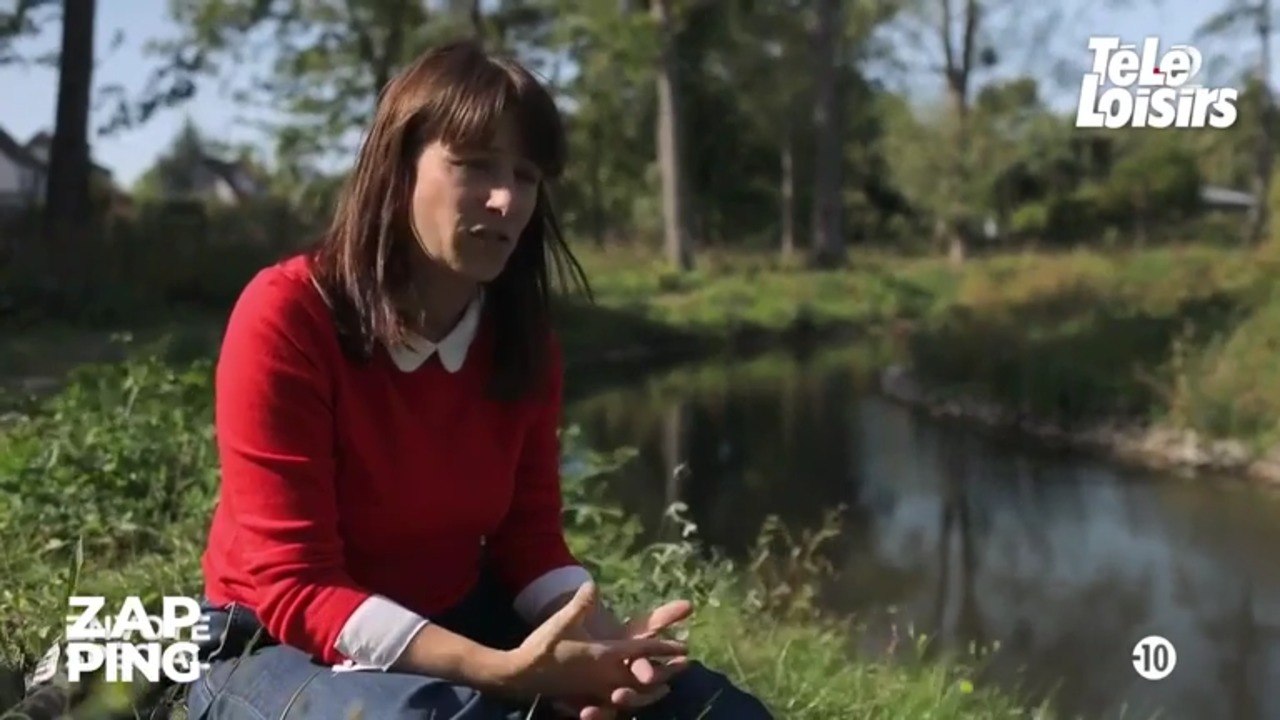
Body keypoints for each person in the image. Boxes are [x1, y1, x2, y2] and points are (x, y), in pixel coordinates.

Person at [184, 40, 776, 720]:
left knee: (710, 709)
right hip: (271, 642)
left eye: (526, 176)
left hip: (457, 617)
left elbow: (529, 540)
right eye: (474, 166)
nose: (506, 200)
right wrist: (506, 674)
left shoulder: (523, 340)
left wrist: (600, 642)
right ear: (397, 168)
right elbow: (297, 586)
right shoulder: (288, 313)